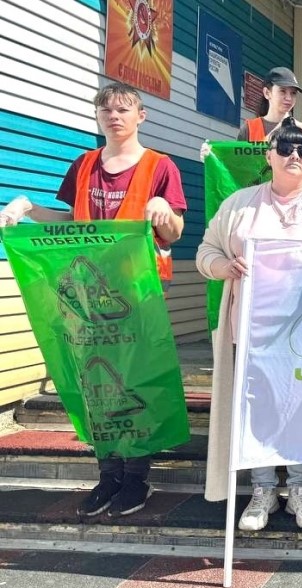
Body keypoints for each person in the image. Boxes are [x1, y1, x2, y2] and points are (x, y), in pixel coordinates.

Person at [0, 82, 187, 518]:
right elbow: (72, 221)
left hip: (137, 294)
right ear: (98, 116)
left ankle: (136, 478)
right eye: (106, 109)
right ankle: (108, 475)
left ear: (141, 116)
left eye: (123, 109)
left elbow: (174, 231)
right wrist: (28, 210)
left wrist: (163, 210)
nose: (114, 116)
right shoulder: (83, 164)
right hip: (86, 296)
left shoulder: (160, 166)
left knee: (135, 382)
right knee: (93, 382)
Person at [197, 118, 302, 531]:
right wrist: (223, 267)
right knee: (259, 407)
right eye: (285, 148)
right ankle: (263, 489)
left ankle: (299, 488)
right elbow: (206, 252)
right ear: (269, 156)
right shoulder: (240, 205)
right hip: (253, 331)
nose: (294, 156)